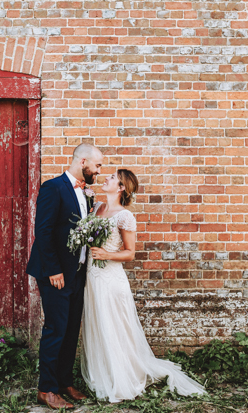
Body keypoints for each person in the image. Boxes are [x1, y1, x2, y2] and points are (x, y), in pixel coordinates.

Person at [81, 169, 207, 402]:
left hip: (110, 279)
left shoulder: (125, 216)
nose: (106, 178)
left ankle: (123, 376)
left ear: (120, 188)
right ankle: (104, 372)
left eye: (111, 177)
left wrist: (106, 254)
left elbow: (130, 253)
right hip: (93, 278)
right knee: (98, 323)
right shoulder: (96, 207)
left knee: (116, 327)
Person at [26, 143, 104, 409]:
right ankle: (46, 389)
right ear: (83, 162)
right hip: (55, 273)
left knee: (71, 329)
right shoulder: (53, 188)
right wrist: (54, 270)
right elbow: (43, 232)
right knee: (56, 329)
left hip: (77, 272)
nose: (99, 170)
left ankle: (64, 381)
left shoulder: (86, 193)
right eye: (97, 165)